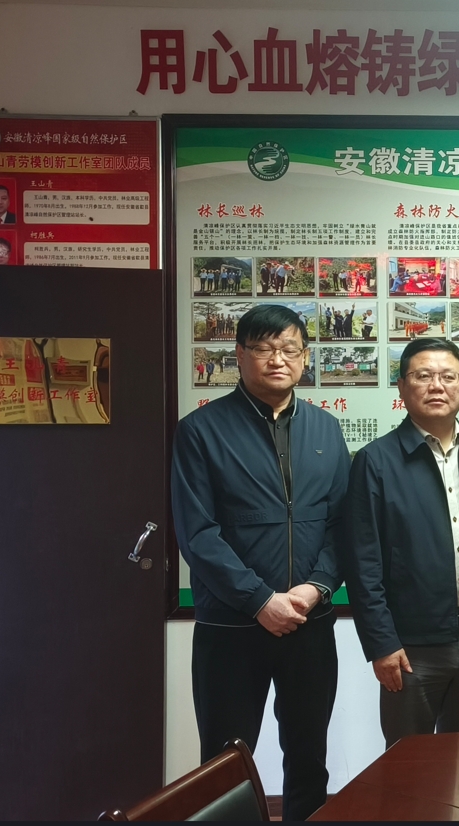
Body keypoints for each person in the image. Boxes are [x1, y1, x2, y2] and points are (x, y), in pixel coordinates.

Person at [169, 304, 349, 821]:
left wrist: (316, 587)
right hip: (232, 627)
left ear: (305, 357)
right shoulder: (201, 431)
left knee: (309, 757)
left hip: (309, 623)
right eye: (264, 348)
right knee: (225, 763)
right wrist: (260, 600)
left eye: (289, 349)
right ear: (239, 354)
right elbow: (198, 533)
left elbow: (342, 524)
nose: (277, 360)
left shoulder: (326, 429)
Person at [342, 338, 459, 748]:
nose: (437, 386)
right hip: (412, 648)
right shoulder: (375, 461)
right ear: (401, 386)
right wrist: (381, 643)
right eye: (423, 376)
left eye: (448, 376)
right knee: (408, 761)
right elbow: (362, 562)